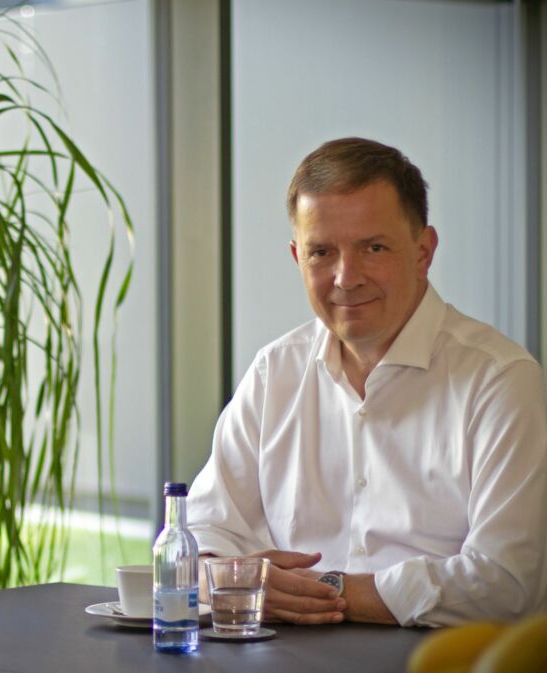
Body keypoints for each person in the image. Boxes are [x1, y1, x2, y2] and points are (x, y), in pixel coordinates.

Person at [187, 137, 547, 628]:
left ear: (423, 251)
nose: (345, 277)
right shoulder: (275, 373)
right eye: (321, 252)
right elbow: (200, 537)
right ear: (297, 257)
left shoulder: (500, 381)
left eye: (373, 248)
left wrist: (329, 591)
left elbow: (508, 583)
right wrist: (227, 576)